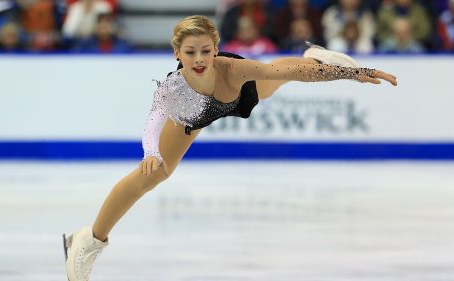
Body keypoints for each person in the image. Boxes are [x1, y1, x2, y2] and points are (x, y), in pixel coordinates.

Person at [62, 15, 397, 281]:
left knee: (278, 77)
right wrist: (151, 152)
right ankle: (88, 241)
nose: (198, 59)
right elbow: (153, 120)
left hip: (234, 92)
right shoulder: (173, 88)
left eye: (206, 51)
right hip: (192, 113)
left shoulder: (233, 69)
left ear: (216, 48)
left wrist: (355, 72)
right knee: (156, 173)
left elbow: (291, 71)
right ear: (176, 53)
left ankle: (314, 55)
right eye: (189, 52)